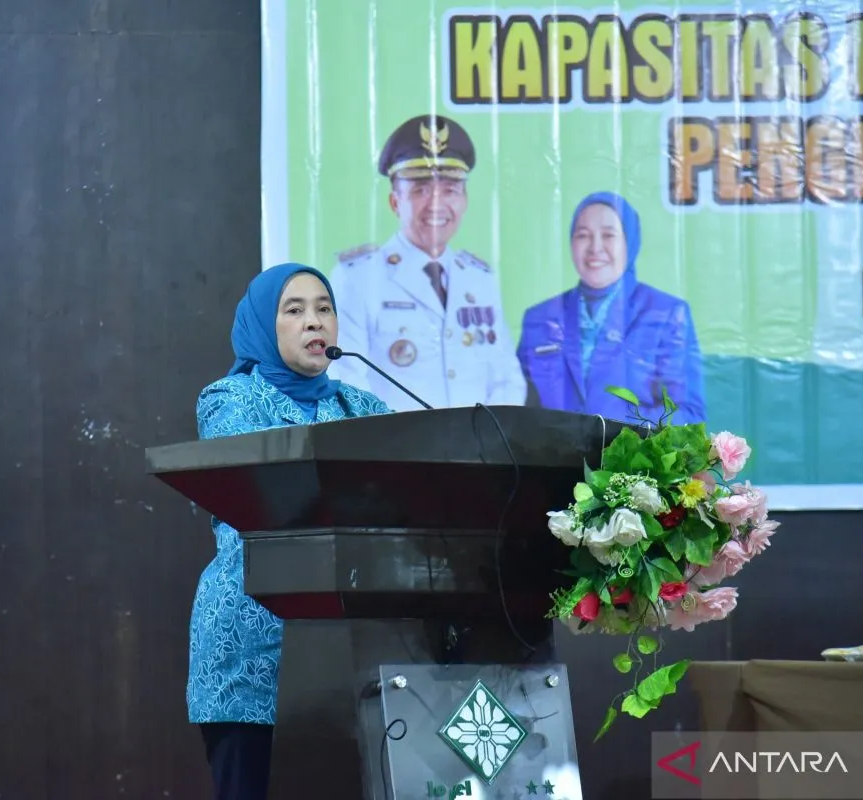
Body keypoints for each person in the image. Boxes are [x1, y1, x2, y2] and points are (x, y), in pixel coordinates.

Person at [186, 263, 392, 800]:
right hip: (251, 649)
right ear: (263, 325)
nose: (314, 321)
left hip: (350, 653)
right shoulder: (228, 400)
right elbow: (270, 488)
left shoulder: (364, 407)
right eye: (294, 310)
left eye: (324, 309)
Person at [326, 114, 530, 410]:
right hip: (393, 440)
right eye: (420, 190)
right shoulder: (357, 278)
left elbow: (506, 380)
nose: (436, 205)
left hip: (480, 440)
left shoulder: (480, 279)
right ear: (395, 202)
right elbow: (345, 381)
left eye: (450, 190)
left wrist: (489, 435)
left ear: (465, 199)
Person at [516, 191, 706, 423]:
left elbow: (688, 415)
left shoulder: (668, 314)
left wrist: (612, 431)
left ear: (630, 241)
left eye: (609, 235)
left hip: (629, 448)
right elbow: (518, 408)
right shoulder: (540, 317)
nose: (595, 248)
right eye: (583, 235)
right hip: (551, 447)